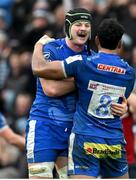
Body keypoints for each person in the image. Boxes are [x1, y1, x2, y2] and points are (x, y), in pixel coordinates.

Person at [31, 18, 135, 178]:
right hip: (113, 140)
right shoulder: (129, 72)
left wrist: (39, 46)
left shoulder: (84, 64)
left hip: (86, 137)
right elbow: (119, 99)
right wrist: (124, 107)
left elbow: (39, 69)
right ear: (120, 44)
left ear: (97, 40)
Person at [26, 8, 94, 179]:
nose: (83, 28)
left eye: (87, 25)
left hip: (75, 130)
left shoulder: (92, 57)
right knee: (41, 177)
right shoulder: (52, 49)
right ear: (68, 26)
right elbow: (51, 89)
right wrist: (85, 80)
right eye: (78, 24)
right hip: (45, 125)